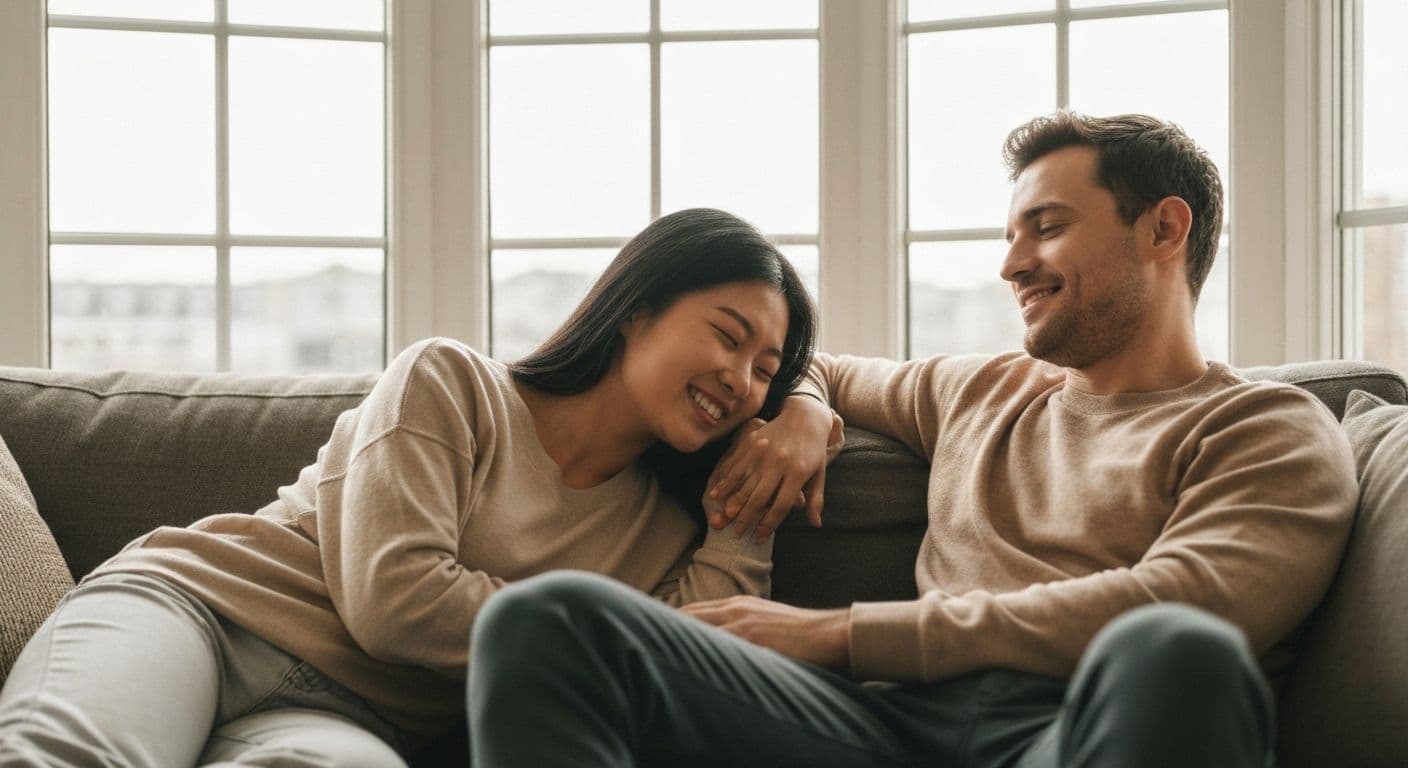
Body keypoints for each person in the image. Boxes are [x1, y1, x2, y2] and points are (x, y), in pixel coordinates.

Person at [464, 113, 1359, 767]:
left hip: (1073, 735)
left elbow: (1189, 601)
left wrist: (845, 635)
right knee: (545, 619)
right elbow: (814, 367)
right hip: (875, 733)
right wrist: (805, 411)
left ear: (1164, 229)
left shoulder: (1266, 428)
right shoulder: (979, 387)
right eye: (1010, 236)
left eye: (1046, 228)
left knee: (1178, 652)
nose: (1011, 264)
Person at [0, 208, 824, 767]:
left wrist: (794, 433)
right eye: (727, 335)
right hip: (200, 613)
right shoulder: (453, 383)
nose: (741, 381)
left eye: (764, 372)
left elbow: (684, 672)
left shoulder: (671, 532)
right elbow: (395, 600)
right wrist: (571, 640)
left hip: (348, 720)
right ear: (636, 310)